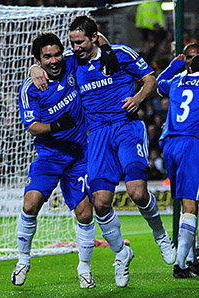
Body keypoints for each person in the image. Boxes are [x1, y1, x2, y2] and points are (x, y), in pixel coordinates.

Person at [30, 16, 176, 288]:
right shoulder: (73, 62)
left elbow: (150, 79)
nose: (75, 48)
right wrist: (33, 68)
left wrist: (137, 98)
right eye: (72, 43)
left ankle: (161, 237)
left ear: (94, 37)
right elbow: (49, 66)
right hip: (97, 136)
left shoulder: (119, 54)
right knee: (100, 203)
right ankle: (122, 254)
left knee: (137, 192)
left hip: (126, 127)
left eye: (80, 42)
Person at [11, 32, 96, 289]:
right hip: (49, 155)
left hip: (78, 155)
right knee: (30, 205)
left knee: (85, 212)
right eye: (46, 57)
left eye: (57, 54)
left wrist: (36, 65)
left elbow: (98, 39)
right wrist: (57, 125)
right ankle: (23, 260)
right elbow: (33, 126)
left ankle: (84, 268)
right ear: (38, 59)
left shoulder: (72, 61)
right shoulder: (30, 87)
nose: (54, 60)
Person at [157, 54, 199, 278]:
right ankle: (181, 265)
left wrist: (174, 65)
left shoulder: (176, 81)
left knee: (187, 203)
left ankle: (192, 259)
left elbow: (158, 84)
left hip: (171, 144)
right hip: (192, 144)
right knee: (191, 205)